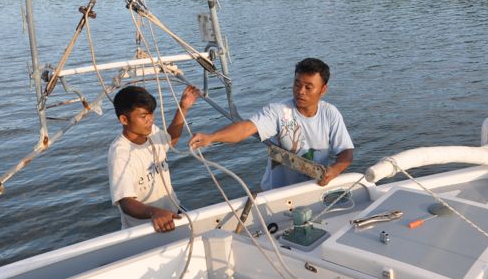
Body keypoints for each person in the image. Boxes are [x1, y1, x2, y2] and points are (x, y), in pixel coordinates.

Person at [189, 58, 353, 190]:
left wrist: (335, 170)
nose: (300, 91)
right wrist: (212, 137)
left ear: (323, 90)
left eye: (308, 87)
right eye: (297, 84)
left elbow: (346, 152)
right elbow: (246, 128)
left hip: (313, 189)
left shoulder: (330, 114)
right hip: (277, 194)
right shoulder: (278, 111)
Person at [108, 85, 199, 232]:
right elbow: (126, 202)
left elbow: (169, 141)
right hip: (146, 228)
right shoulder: (120, 154)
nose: (150, 120)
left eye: (151, 114)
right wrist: (154, 212)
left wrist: (183, 108)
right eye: (143, 116)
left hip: (174, 213)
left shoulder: (151, 130)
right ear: (124, 119)